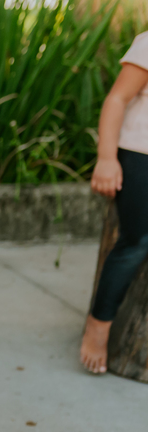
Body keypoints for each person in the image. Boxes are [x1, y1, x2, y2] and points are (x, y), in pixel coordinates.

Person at [82, 31, 148, 375]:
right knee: (138, 241)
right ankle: (99, 325)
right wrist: (107, 157)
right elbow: (117, 100)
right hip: (141, 154)